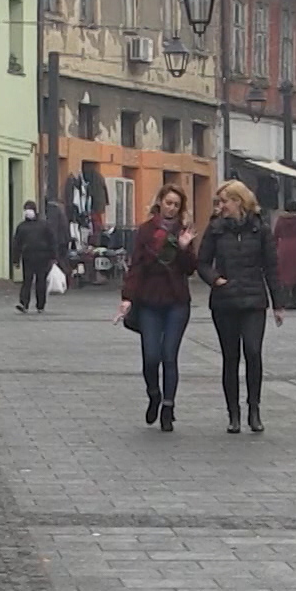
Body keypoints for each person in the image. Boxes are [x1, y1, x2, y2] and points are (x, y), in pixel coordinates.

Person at [198, 180, 285, 433]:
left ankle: (254, 409)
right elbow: (202, 262)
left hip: (253, 300)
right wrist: (215, 279)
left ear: (239, 201)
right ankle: (233, 413)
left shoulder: (261, 230)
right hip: (224, 301)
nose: (221, 206)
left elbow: (271, 266)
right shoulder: (215, 230)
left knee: (253, 352)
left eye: (225, 201)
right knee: (230, 357)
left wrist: (278, 304)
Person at [118, 185, 199, 432]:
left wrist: (184, 249)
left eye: (176, 204)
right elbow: (137, 267)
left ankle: (168, 406)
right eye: (168, 203)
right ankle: (154, 393)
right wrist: (127, 298)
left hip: (176, 302)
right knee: (151, 356)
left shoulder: (183, 232)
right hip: (149, 301)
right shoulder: (145, 231)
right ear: (160, 202)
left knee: (169, 355)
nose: (171, 208)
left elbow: (189, 269)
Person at [12, 200, 57, 313]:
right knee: (32, 281)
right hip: (34, 256)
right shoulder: (26, 227)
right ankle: (29, 304)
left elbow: (51, 240)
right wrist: (16, 259)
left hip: (38, 256)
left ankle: (35, 305)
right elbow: (17, 244)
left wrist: (53, 256)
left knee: (35, 281)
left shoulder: (33, 226)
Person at [271, 201, 296, 310]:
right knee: (295, 273)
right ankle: (295, 298)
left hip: (283, 247)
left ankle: (285, 298)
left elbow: (276, 234)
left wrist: (276, 247)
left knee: (283, 274)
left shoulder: (281, 220)